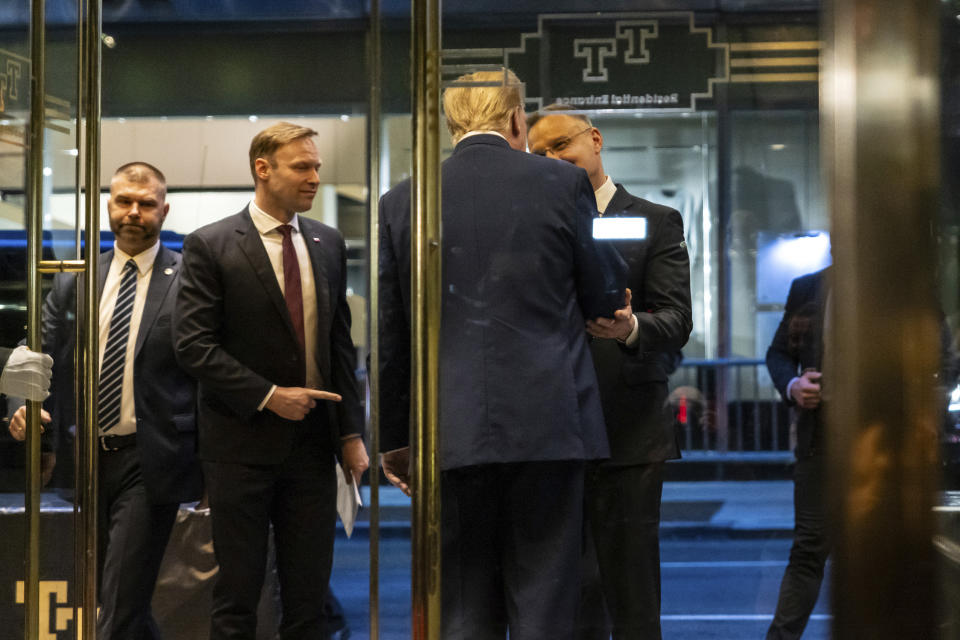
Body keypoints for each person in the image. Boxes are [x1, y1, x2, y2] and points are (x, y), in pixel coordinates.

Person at [378, 69, 627, 639]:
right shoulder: (562, 185)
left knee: (465, 604)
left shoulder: (402, 201)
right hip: (547, 422)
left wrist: (396, 438)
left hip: (449, 429)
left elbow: (394, 337)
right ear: (517, 119)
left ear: (449, 127)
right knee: (544, 596)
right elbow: (604, 295)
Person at [174, 122, 369, 640]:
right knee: (238, 597)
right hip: (239, 447)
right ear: (263, 169)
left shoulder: (327, 243)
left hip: (312, 448)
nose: (314, 178)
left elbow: (338, 346)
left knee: (308, 600)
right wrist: (268, 396)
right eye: (302, 167)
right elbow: (193, 345)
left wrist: (351, 434)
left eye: (317, 168)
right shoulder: (211, 245)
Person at [8, 162, 202, 639]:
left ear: (164, 209)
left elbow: (206, 367)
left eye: (146, 203)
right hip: (88, 460)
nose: (133, 212)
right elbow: (41, 352)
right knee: (117, 596)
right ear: (108, 205)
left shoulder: (189, 278)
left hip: (150, 458)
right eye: (123, 201)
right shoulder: (76, 278)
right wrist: (23, 404)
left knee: (118, 598)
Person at [527, 105, 693, 639]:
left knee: (632, 594)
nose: (552, 160)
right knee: (567, 599)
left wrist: (629, 328)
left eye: (560, 146)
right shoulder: (531, 225)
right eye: (539, 154)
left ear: (595, 140)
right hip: (551, 433)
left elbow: (676, 319)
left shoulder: (653, 219)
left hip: (628, 432)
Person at [764, 266, 830, 640]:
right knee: (808, 551)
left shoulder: (902, 286)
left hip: (887, 444)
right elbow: (777, 354)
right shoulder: (809, 287)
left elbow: (943, 357)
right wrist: (793, 384)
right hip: (820, 438)